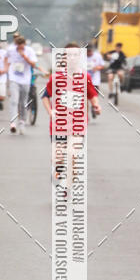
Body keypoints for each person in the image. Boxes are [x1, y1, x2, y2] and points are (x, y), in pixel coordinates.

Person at [42, 42, 101, 180]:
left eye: (75, 55)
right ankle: (58, 171)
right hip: (59, 124)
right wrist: (50, 112)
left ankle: (67, 189)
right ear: (64, 57)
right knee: (58, 159)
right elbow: (45, 97)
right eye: (69, 55)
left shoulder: (85, 77)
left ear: (80, 57)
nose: (72, 58)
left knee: (72, 154)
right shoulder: (55, 78)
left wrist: (96, 106)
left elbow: (92, 95)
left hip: (77, 123)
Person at [7, 35, 37, 133]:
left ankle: (22, 122)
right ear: (16, 45)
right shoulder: (11, 50)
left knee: (23, 102)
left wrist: (24, 56)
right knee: (14, 101)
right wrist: (6, 69)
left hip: (25, 80)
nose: (20, 48)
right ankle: (13, 123)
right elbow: (5, 59)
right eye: (18, 46)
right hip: (14, 79)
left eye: (22, 46)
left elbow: (33, 64)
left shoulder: (30, 51)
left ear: (24, 45)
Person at [86, 42, 104, 118]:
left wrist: (97, 68)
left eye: (90, 51)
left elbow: (102, 65)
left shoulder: (97, 56)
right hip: (84, 81)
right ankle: (85, 116)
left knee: (94, 96)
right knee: (84, 99)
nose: (89, 53)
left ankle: (94, 107)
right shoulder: (81, 57)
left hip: (95, 80)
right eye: (87, 51)